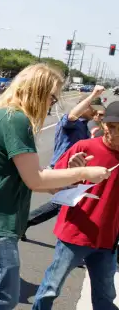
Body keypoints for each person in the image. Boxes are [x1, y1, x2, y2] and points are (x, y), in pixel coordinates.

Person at [0, 63, 110, 309]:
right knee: (2, 298)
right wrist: (84, 172)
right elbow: (35, 179)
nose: (52, 103)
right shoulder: (16, 119)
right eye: (51, 97)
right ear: (37, 91)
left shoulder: (8, 115)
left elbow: (32, 174)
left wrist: (63, 181)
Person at [31, 101, 119, 310]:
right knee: (50, 289)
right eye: (111, 126)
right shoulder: (84, 148)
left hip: (107, 240)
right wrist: (72, 170)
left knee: (105, 296)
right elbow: (52, 183)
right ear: (103, 123)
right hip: (75, 234)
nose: (114, 134)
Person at [25, 86, 106, 235]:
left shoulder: (85, 126)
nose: (96, 113)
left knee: (67, 203)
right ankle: (26, 222)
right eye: (93, 108)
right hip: (60, 170)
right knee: (63, 203)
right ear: (85, 107)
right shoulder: (71, 123)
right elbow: (72, 116)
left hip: (72, 171)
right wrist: (93, 95)